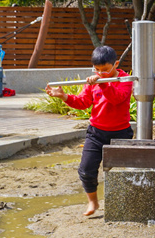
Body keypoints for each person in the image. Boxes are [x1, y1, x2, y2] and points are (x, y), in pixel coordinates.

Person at [45, 46, 133, 216]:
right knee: (86, 169)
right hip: (96, 133)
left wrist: (103, 83)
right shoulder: (94, 82)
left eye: (105, 70)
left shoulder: (125, 79)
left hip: (121, 132)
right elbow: (83, 102)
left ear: (116, 64)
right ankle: (93, 202)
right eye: (97, 70)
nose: (101, 73)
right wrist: (63, 96)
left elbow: (117, 99)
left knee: (122, 170)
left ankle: (123, 202)